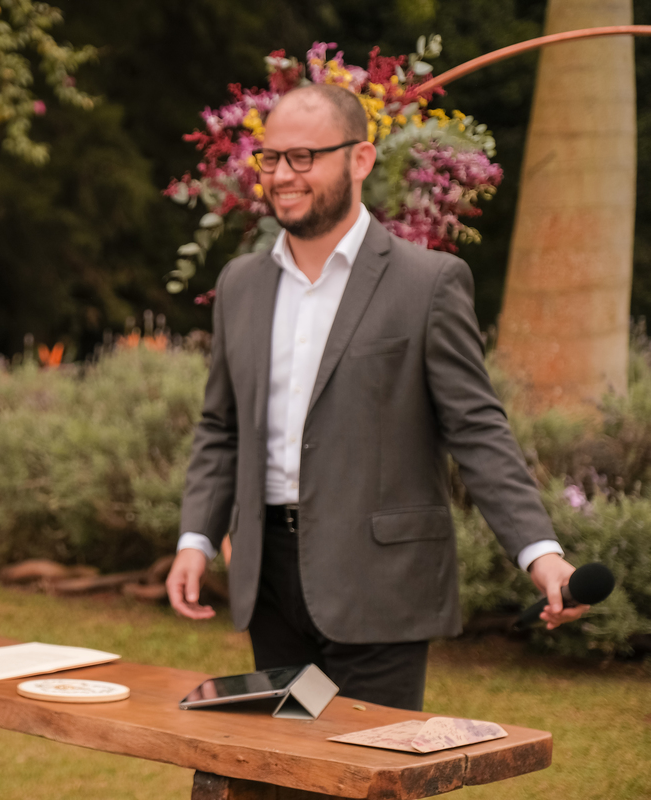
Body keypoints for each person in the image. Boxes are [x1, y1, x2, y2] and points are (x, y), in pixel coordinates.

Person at [165, 83, 587, 712]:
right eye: (272, 158)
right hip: (268, 581)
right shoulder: (240, 284)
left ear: (360, 159)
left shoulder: (428, 283)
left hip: (381, 584)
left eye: (304, 157)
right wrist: (196, 540)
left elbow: (477, 430)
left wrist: (541, 555)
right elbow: (220, 428)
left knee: (368, 760)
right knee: (286, 760)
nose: (282, 175)